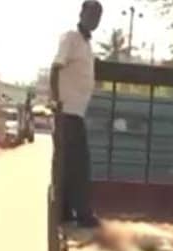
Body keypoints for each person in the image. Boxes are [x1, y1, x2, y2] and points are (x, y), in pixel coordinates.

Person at [50, 0, 103, 227]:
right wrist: (56, 101)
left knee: (68, 164)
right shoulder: (71, 37)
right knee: (78, 163)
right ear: (81, 13)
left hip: (77, 112)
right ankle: (81, 214)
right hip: (67, 111)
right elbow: (55, 68)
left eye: (98, 16)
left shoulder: (86, 44)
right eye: (91, 13)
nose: (94, 19)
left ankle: (65, 211)